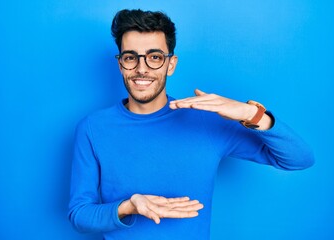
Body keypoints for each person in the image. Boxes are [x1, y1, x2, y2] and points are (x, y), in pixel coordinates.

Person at [68, 9, 314, 240]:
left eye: (154, 57)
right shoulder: (92, 128)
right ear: (121, 63)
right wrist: (128, 206)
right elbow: (79, 214)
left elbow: (299, 159)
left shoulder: (206, 122)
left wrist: (250, 112)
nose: (141, 69)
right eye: (131, 57)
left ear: (170, 64)